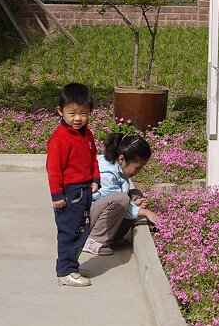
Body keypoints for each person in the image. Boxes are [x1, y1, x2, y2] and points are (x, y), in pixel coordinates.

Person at [46, 83, 100, 287]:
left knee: (81, 230)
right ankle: (65, 271)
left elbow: (93, 157)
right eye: (72, 113)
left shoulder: (87, 134)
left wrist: (95, 178)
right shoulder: (59, 139)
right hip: (69, 194)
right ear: (60, 111)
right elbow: (53, 169)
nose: (78, 118)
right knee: (69, 231)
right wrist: (57, 195)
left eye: (84, 113)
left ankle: (72, 265)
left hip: (84, 190)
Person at [83, 133, 159, 256]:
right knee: (123, 199)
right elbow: (116, 200)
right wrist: (145, 212)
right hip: (85, 217)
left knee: (135, 195)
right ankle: (93, 240)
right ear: (122, 159)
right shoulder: (107, 173)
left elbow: (114, 199)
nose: (138, 172)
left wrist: (133, 203)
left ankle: (114, 237)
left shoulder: (117, 164)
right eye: (137, 167)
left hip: (99, 209)